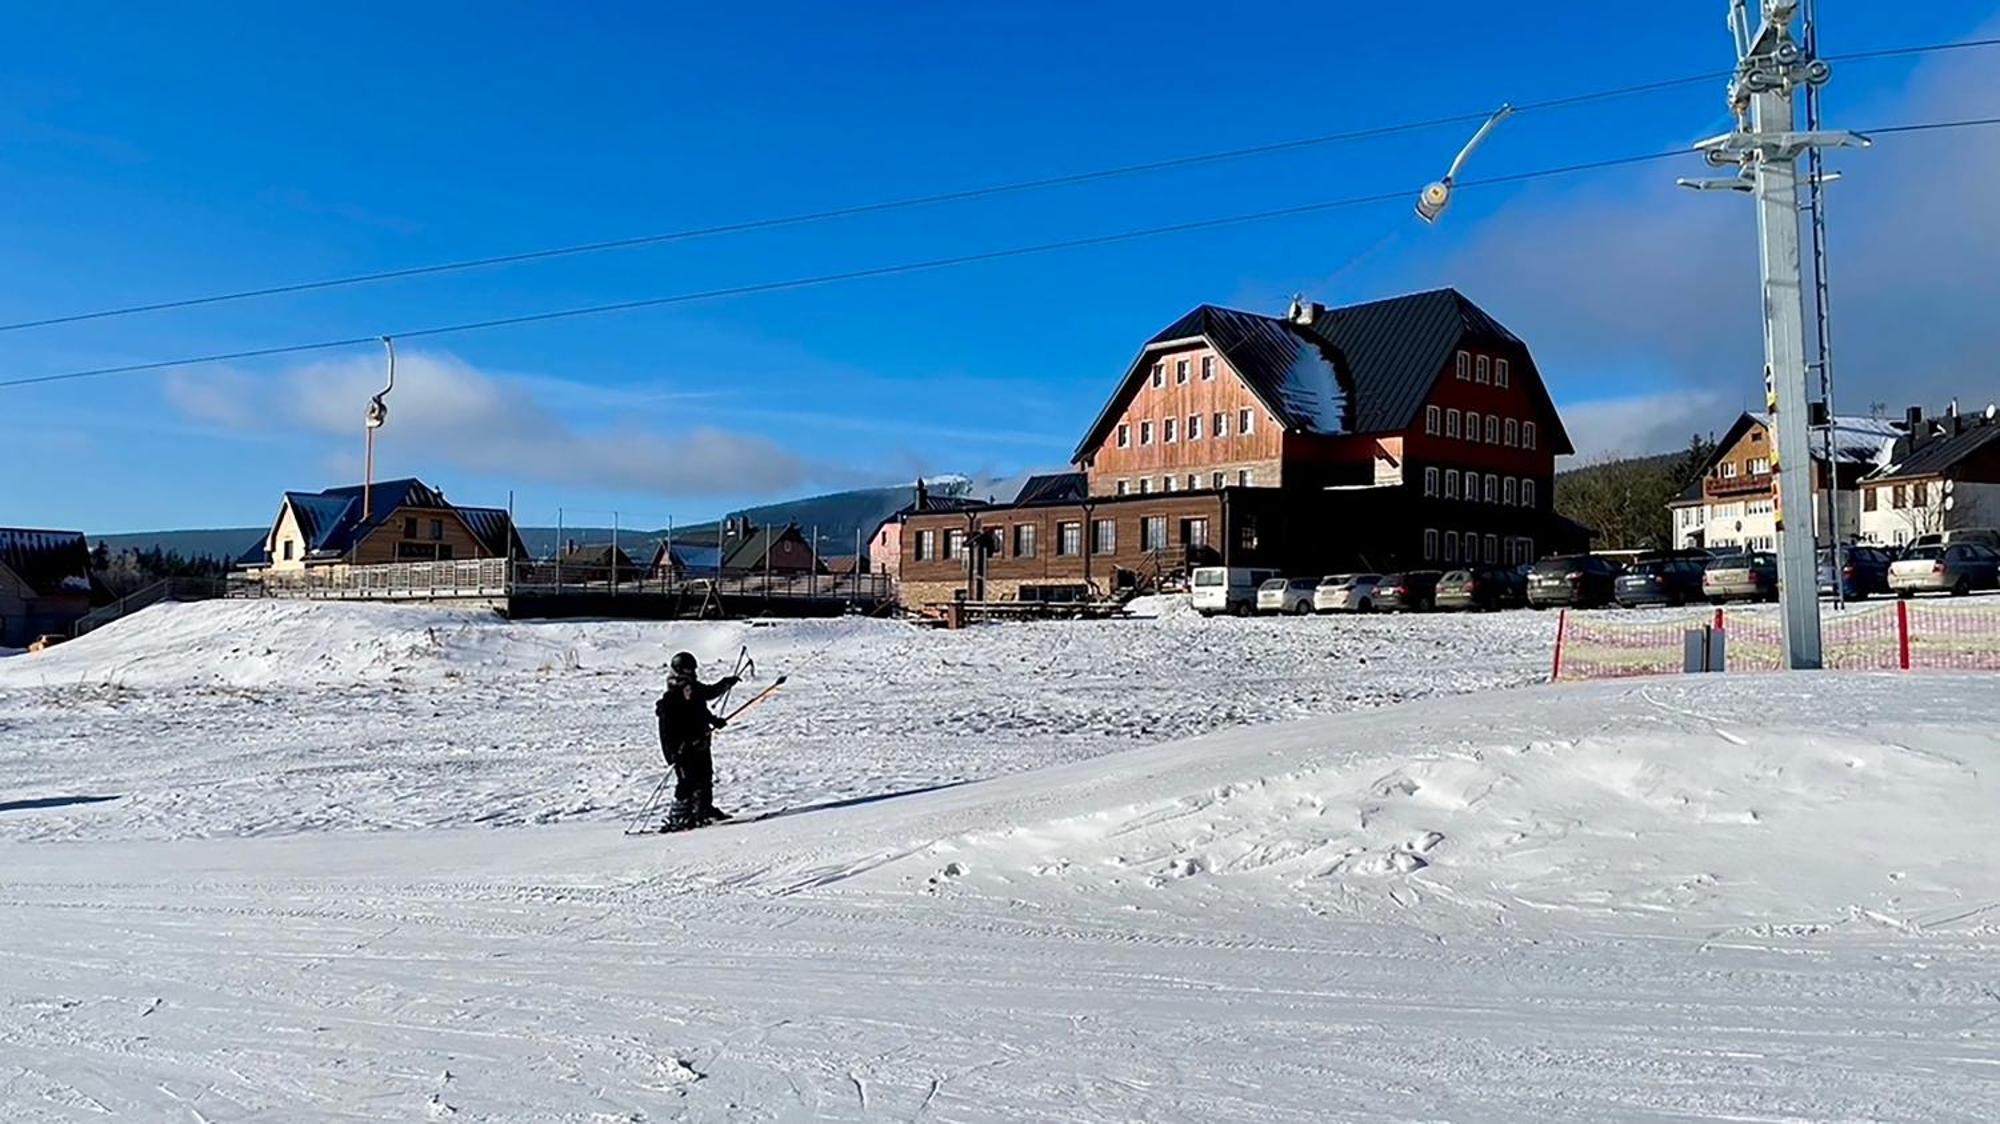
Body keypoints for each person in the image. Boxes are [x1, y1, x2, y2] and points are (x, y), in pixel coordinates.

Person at [655, 651, 739, 831]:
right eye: (687, 669)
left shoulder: (691, 687)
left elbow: (700, 706)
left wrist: (713, 720)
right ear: (679, 670)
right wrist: (673, 751)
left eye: (693, 669)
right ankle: (678, 815)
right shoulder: (675, 692)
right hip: (681, 746)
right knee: (688, 780)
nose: (692, 673)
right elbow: (669, 727)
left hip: (700, 740)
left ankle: (703, 809)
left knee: (705, 775)